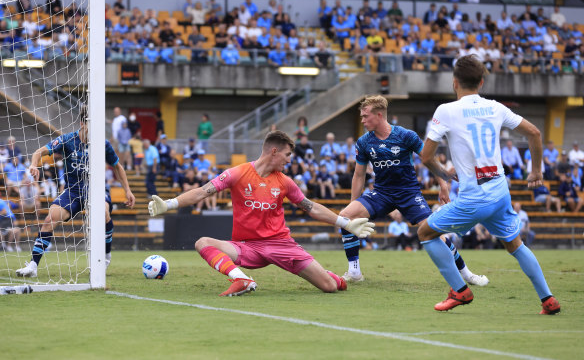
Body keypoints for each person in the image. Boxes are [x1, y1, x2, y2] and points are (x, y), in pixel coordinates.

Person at [148, 130, 375, 296]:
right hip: (247, 246)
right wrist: (168, 204)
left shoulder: (285, 181)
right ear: (274, 151)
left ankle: (329, 276)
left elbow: (311, 207)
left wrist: (345, 222)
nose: (289, 160)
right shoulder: (237, 173)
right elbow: (201, 193)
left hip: (281, 244)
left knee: (330, 287)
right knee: (203, 242)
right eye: (287, 155)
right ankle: (242, 280)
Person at [417, 54, 560, 314]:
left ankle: (460, 291)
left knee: (425, 233)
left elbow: (426, 157)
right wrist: (535, 171)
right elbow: (535, 133)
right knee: (515, 244)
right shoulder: (495, 107)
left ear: (454, 83)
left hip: (475, 198)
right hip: (499, 192)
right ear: (481, 82)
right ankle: (548, 299)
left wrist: (445, 174)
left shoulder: (446, 110)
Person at [338, 95, 487, 287]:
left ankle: (467, 274)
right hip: (382, 193)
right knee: (345, 217)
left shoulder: (406, 135)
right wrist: (353, 204)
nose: (362, 120)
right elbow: (359, 176)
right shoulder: (364, 142)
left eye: (366, 116)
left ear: (379, 114)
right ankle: (354, 271)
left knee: (434, 232)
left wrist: (443, 184)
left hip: (409, 193)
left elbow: (428, 159)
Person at [16, 106, 135, 277]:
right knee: (50, 219)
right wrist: (34, 164)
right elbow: (40, 151)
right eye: (91, 124)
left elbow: (117, 166)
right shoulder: (67, 140)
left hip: (96, 190)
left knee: (103, 213)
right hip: (73, 191)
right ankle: (33, 266)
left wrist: (128, 191)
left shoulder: (102, 144)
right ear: (82, 123)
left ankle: (106, 256)